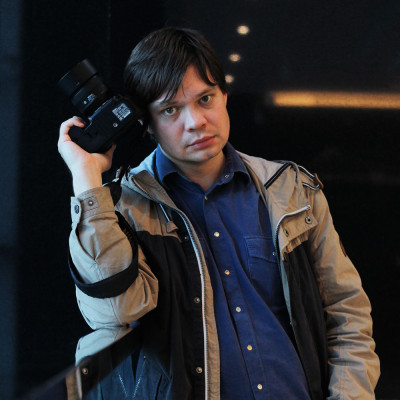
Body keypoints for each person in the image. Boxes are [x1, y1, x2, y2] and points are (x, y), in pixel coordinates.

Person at [58, 27, 380, 400]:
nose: (195, 121)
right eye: (171, 109)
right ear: (146, 124)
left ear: (225, 96)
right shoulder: (122, 212)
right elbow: (116, 312)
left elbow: (347, 316)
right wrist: (86, 179)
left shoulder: (292, 190)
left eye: (205, 99)